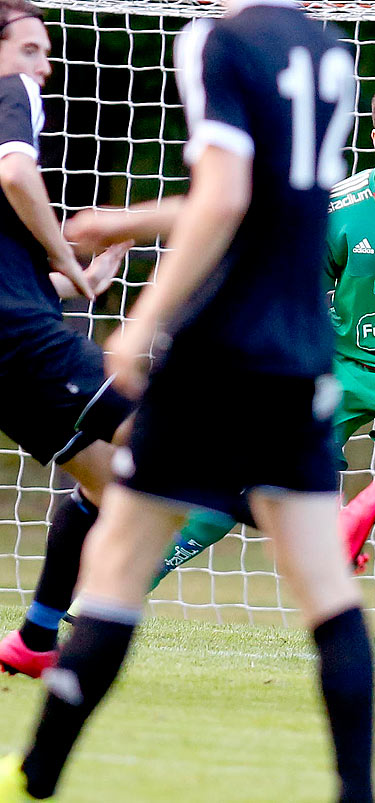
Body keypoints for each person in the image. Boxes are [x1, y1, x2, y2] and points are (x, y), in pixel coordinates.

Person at [0, 1, 375, 800]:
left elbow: (227, 195)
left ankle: (33, 776)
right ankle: (357, 791)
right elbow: (268, 198)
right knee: (326, 591)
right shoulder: (325, 48)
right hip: (303, 351)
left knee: (116, 561)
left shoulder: (216, 40)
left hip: (217, 353)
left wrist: (142, 323)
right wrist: (132, 219)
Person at [147, 78, 375, 665]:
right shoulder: (340, 207)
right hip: (339, 368)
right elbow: (301, 290)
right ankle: (130, 587)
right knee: (248, 477)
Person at [0, 0, 132, 679]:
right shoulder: (9, 94)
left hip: (13, 336)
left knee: (112, 486)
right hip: (18, 340)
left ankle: (36, 635)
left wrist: (78, 276)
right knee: (164, 428)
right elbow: (18, 174)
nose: (43, 68)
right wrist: (68, 255)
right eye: (30, 50)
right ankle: (317, 522)